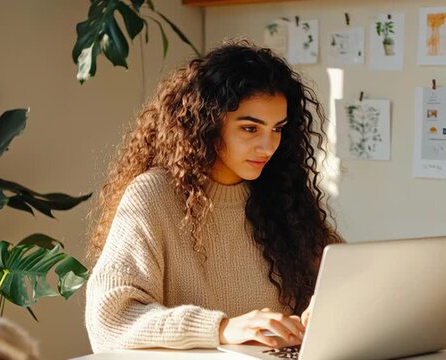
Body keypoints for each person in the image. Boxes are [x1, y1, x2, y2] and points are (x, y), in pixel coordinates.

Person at [85, 39, 343, 353]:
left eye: (278, 128)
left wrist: (330, 301)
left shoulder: (281, 194)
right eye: (250, 129)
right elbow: (109, 320)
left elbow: (345, 271)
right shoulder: (154, 195)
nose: (268, 146)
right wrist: (221, 328)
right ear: (207, 124)